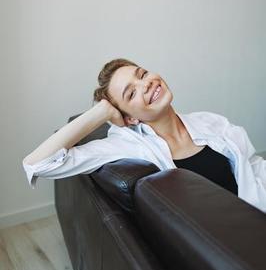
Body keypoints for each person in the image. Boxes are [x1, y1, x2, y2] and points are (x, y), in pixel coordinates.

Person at [22, 58, 266, 213]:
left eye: (142, 74)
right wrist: (100, 112)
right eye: (130, 94)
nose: (146, 84)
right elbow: (37, 163)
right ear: (130, 118)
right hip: (229, 249)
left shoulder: (210, 121)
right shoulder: (129, 147)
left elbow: (254, 168)